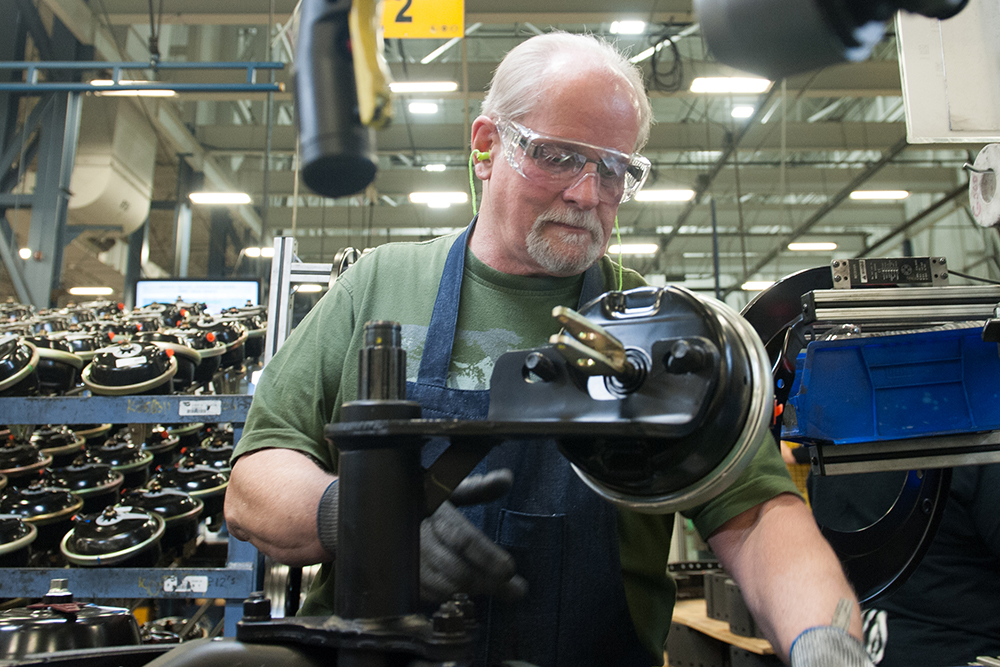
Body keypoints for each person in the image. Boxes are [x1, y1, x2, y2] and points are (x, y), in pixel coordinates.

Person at [226, 31, 871, 667]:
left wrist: (829, 647)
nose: (588, 194)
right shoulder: (379, 287)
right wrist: (363, 519)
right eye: (558, 156)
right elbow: (254, 486)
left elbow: (758, 519)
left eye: (613, 169)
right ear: (487, 146)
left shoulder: (667, 334)